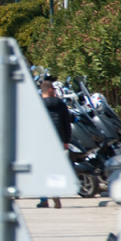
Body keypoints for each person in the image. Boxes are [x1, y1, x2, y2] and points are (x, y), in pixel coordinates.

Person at [39, 80, 73, 209]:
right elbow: (66, 124)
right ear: (50, 90)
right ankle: (55, 193)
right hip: (58, 139)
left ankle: (43, 199)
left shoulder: (37, 104)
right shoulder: (61, 104)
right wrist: (66, 141)